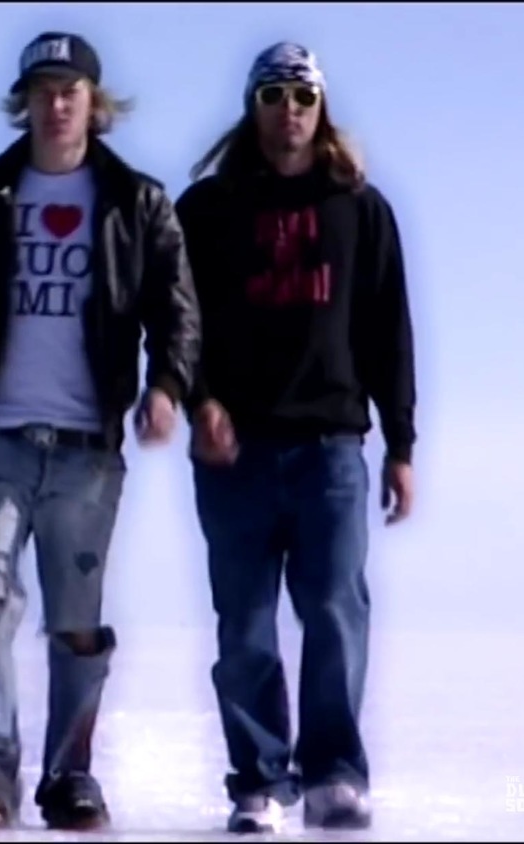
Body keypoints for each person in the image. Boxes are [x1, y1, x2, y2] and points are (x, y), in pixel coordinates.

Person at [0, 30, 201, 832]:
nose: (56, 104)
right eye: (41, 91)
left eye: (69, 90)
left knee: (76, 624)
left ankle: (69, 775)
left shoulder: (137, 200)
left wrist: (167, 388)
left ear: (94, 102)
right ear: (24, 103)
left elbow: (177, 312)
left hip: (85, 448)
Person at [174, 41, 416, 833]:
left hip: (331, 450)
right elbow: (177, 323)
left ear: (322, 107)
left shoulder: (359, 209)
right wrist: (199, 401)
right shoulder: (207, 211)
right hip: (235, 454)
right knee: (245, 626)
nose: (289, 111)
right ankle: (260, 782)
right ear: (253, 106)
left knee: (336, 611)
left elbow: (388, 333)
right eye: (274, 96)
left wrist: (402, 446)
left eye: (303, 96)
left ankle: (334, 774)